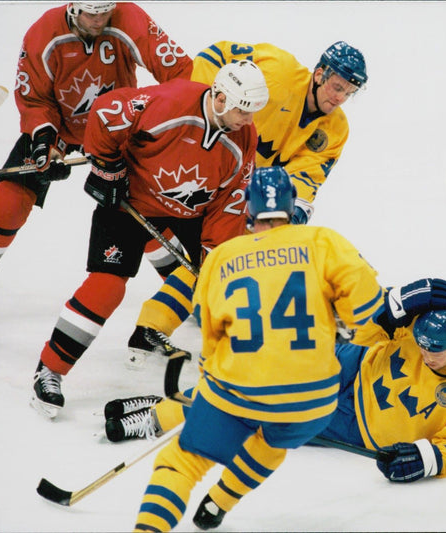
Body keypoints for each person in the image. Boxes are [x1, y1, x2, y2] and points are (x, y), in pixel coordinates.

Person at [130, 167, 446, 532]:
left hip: (241, 390)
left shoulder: (221, 257)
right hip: (314, 402)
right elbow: (366, 314)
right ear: (292, 208)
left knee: (182, 461)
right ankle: (219, 503)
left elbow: (212, 346)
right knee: (272, 439)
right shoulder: (323, 242)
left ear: (249, 212)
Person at [29, 60, 268, 418]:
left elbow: (230, 200)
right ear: (219, 97)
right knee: (107, 287)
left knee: (228, 277)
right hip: (130, 201)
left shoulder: (244, 138)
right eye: (242, 110)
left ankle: (249, 373)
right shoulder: (171, 102)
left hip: (190, 212)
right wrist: (106, 166)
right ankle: (49, 370)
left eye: (253, 112)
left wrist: (214, 255)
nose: (248, 120)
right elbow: (107, 111)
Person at [105, 302, 446, 522]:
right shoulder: (427, 328)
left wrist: (425, 459)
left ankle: (162, 411)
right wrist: (393, 308)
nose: (424, 355)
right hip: (353, 365)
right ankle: (163, 412)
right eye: (421, 346)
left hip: (354, 426)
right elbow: (372, 327)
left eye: (433, 352)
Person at [125, 40, 368, 369]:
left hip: (245, 191)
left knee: (218, 256)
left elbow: (308, 178)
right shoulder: (278, 71)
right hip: (213, 163)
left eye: (349, 93)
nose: (340, 98)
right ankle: (165, 319)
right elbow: (218, 54)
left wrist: (286, 216)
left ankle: (153, 326)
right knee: (207, 252)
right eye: (338, 87)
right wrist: (197, 104)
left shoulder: (336, 129)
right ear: (320, 73)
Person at [0, 2, 192, 274]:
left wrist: (163, 121)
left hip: (117, 126)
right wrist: (44, 142)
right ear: (73, 7)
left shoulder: (129, 16)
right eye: (91, 14)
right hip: (59, 123)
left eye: (104, 13)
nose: (98, 21)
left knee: (142, 206)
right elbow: (34, 98)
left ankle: (184, 289)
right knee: (12, 197)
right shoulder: (43, 31)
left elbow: (179, 72)